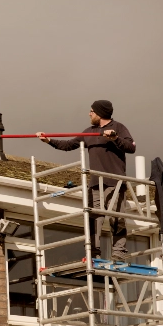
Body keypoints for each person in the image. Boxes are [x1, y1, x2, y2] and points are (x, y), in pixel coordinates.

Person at [37, 100, 136, 260]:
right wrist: (49, 140)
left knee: (117, 217)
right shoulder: (89, 132)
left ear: (100, 113)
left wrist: (114, 138)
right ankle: (93, 254)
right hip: (96, 184)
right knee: (94, 219)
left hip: (114, 183)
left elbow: (131, 147)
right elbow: (69, 145)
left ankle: (119, 252)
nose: (89, 114)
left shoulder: (118, 127)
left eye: (92, 111)